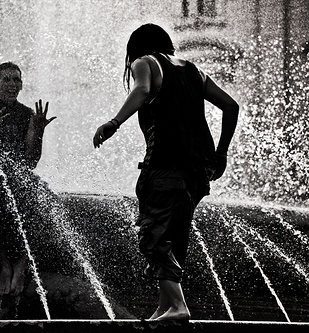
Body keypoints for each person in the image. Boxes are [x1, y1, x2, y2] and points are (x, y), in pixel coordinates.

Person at [93, 24, 239, 321]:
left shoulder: (145, 62)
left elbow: (143, 89)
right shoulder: (194, 71)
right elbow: (231, 106)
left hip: (165, 164)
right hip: (199, 170)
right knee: (171, 235)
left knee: (153, 234)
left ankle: (178, 306)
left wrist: (114, 122)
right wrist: (221, 153)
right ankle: (165, 306)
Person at [0, 62, 56, 302]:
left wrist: (38, 131)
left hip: (15, 173)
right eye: (6, 80)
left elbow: (30, 161)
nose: (12, 85)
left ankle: (21, 264)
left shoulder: (27, 114)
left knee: (40, 197)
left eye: (16, 80)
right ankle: (5, 265)